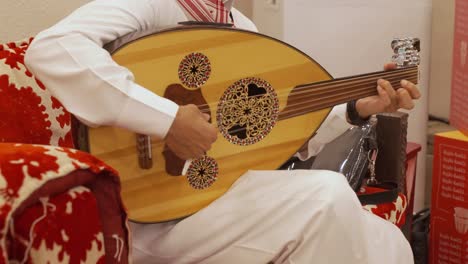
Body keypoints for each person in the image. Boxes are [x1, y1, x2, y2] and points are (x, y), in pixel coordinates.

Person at [24, 0, 421, 263]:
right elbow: (51, 48)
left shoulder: (240, 27)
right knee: (326, 195)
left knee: (388, 244)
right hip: (151, 216)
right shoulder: (149, 3)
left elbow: (271, 132)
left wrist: (354, 109)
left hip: (216, 198)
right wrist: (167, 119)